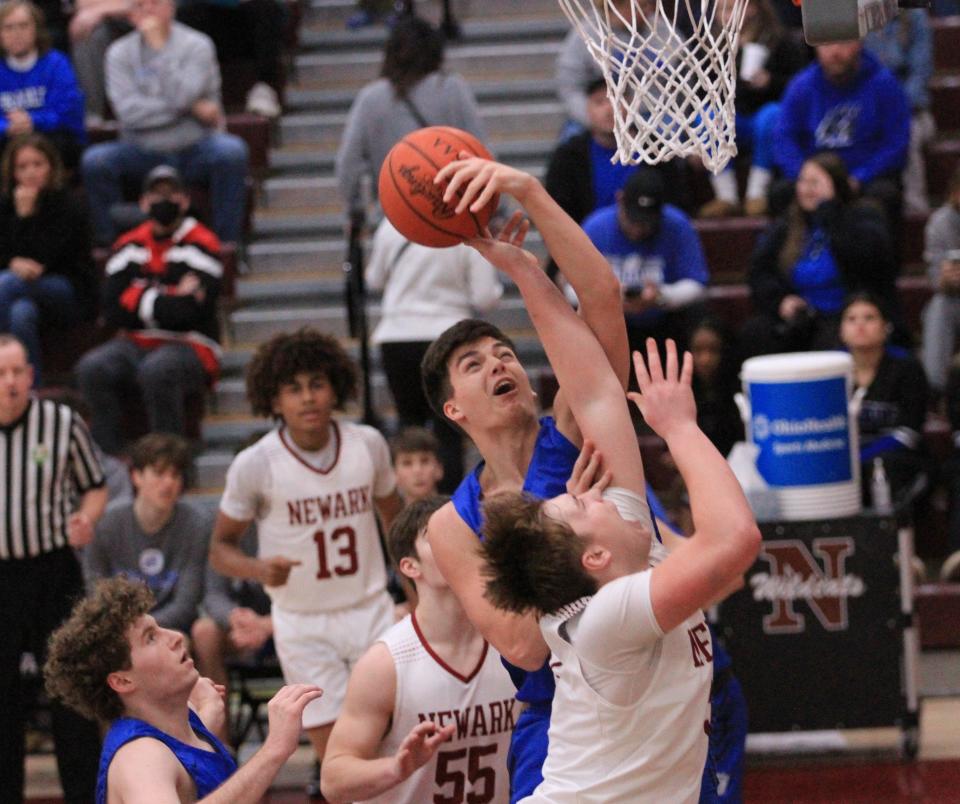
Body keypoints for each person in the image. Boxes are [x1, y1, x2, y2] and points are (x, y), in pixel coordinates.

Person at [419, 156, 630, 801]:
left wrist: (529, 193)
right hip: (559, 715)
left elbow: (602, 300)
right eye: (474, 364)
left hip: (644, 675)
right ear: (454, 410)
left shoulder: (574, 428)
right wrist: (563, 523)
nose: (498, 363)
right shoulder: (453, 523)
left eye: (505, 353)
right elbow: (524, 647)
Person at [479, 326, 759, 802]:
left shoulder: (623, 562)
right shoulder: (608, 616)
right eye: (583, 505)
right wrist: (679, 428)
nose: (595, 496)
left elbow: (600, 393)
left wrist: (523, 268)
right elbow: (735, 540)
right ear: (595, 555)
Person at [208, 327, 403, 792]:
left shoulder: (368, 445)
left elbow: (399, 527)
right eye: (293, 388)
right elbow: (219, 549)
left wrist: (417, 595)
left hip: (370, 610)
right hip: (303, 623)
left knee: (395, 746)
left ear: (335, 386)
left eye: (317, 383)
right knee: (338, 763)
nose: (308, 397)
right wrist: (258, 568)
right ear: (273, 400)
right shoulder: (255, 464)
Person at [43, 576, 324, 803]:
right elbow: (164, 764)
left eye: (160, 628)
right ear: (122, 681)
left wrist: (208, 713)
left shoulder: (179, 723)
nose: (176, 637)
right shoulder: (140, 757)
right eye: (151, 638)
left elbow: (186, 760)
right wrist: (273, 750)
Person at [321, 494, 516, 803]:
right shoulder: (386, 664)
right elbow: (333, 779)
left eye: (464, 530)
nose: (458, 542)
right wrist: (394, 769)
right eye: (437, 535)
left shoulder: (515, 643)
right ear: (411, 566)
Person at [0, 333, 107, 803]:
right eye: (1, 373)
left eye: (18, 371)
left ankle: (84, 795)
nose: (10, 382)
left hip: (54, 570)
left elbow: (96, 485)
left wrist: (87, 517)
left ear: (31, 374)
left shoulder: (61, 424)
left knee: (70, 693)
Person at [75, 165, 222, 456]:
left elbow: (189, 314)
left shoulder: (203, 243)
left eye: (171, 194)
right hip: (134, 342)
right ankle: (110, 461)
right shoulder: (128, 244)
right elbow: (113, 308)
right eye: (156, 195)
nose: (163, 201)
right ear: (143, 203)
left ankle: (170, 462)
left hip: (191, 344)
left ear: (184, 201)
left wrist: (139, 296)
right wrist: (168, 295)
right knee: (91, 368)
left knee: (157, 370)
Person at [80, 0, 249, 246]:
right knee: (95, 161)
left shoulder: (197, 45)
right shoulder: (119, 53)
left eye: (155, 3)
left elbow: (181, 96)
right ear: (131, 14)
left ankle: (226, 248)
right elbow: (128, 113)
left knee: (231, 152)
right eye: (140, 5)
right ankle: (114, 248)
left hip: (194, 147)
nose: (148, 10)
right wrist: (189, 108)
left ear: (171, 6)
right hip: (140, 150)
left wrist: (160, 52)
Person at [366, 215, 502, 490]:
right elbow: (484, 297)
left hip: (397, 336)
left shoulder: (392, 222)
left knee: (408, 424)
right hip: (447, 336)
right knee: (451, 428)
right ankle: (451, 513)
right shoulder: (467, 226)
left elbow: (373, 280)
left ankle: (410, 511)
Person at [742, 152, 900, 357]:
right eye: (803, 181)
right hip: (803, 316)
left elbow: (869, 266)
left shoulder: (863, 219)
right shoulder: (788, 225)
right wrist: (780, 300)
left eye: (815, 182)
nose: (807, 189)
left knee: (830, 340)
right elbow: (759, 271)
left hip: (846, 313)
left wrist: (829, 213)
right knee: (756, 332)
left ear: (836, 185)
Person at [335, 15, 485, 223]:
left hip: (392, 221)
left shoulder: (370, 98)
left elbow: (347, 168)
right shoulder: (451, 89)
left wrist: (356, 209)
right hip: (451, 220)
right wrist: (496, 212)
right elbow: (482, 157)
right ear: (436, 51)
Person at [84, 433, 211, 635]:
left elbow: (186, 604)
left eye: (175, 475)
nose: (169, 482)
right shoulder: (106, 523)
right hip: (117, 629)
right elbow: (95, 590)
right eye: (159, 473)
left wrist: (142, 629)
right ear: (136, 476)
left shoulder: (197, 524)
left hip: (172, 630)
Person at [774, 39, 910, 227]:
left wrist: (860, 177)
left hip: (866, 178)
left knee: (886, 194)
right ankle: (795, 255)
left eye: (843, 43)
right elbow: (783, 139)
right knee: (780, 193)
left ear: (859, 44)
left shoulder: (884, 83)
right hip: (814, 174)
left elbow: (897, 144)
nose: (835, 51)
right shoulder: (801, 85)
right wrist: (807, 176)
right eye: (827, 44)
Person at [580, 167, 709, 354]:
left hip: (665, 322)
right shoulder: (595, 227)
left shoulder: (678, 225)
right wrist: (607, 296)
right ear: (620, 200)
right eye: (633, 220)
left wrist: (661, 296)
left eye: (647, 222)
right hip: (609, 322)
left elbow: (697, 285)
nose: (639, 230)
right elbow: (569, 288)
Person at [699, 0, 809, 218]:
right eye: (721, 10)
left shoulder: (780, 41)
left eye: (731, 8)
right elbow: (700, 91)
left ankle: (756, 194)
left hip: (765, 120)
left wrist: (770, 82)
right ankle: (726, 196)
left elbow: (800, 86)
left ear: (753, 7)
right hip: (732, 122)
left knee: (771, 115)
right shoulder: (710, 46)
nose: (726, 15)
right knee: (708, 115)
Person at [0, 132, 96, 384]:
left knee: (5, 284)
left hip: (67, 291)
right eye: (22, 167)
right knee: (21, 313)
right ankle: (31, 393)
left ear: (51, 167)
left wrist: (25, 218)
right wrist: (11, 262)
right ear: (12, 172)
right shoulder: (5, 203)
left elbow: (41, 260)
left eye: (37, 164)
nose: (30, 172)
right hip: (22, 292)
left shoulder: (69, 205)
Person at [840, 293, 929, 509]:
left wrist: (861, 458)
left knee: (886, 468)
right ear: (841, 330)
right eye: (851, 319)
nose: (860, 325)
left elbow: (909, 431)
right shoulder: (828, 371)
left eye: (869, 318)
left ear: (885, 326)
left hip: (895, 457)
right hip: (844, 458)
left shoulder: (906, 368)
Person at [864, 8, 935, 216]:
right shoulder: (852, 17)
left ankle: (915, 209)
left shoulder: (915, 16)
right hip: (865, 110)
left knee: (906, 132)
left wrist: (891, 109)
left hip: (912, 112)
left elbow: (921, 73)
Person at [0, 1, 85, 168]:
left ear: (36, 29)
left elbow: (68, 113)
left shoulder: (57, 63)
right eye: (8, 27)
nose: (16, 33)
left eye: (23, 26)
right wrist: (6, 126)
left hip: (51, 140)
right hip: (7, 139)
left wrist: (33, 120)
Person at [176, 0, 284, 119]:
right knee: (184, 12)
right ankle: (193, 94)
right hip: (206, 20)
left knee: (268, 8)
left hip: (247, 25)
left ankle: (264, 88)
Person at [920, 164, 960, 396]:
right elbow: (936, 282)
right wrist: (946, 279)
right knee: (938, 306)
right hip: (955, 299)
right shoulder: (941, 222)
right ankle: (934, 389)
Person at [689, 317, 744, 460]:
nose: (705, 359)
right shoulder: (683, 392)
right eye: (698, 350)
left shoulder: (741, 393)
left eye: (713, 350)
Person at [392, 426, 445, 502]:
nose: (417, 470)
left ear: (439, 468)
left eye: (424, 461)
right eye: (407, 463)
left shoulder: (459, 512)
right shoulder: (386, 513)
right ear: (394, 473)